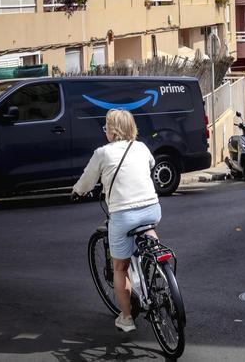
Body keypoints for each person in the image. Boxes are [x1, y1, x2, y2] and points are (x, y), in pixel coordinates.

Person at [72, 109, 161, 333]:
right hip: (152, 209)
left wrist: (77, 191)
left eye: (106, 127)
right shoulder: (141, 147)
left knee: (120, 267)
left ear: (112, 130)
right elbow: (150, 165)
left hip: (123, 215)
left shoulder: (102, 153)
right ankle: (159, 264)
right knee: (148, 232)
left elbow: (86, 181)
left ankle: (126, 317)